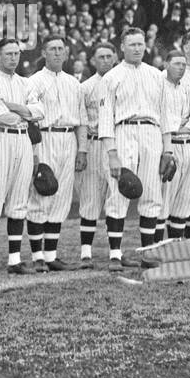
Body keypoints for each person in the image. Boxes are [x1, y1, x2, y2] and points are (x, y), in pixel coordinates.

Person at [99, 27, 166, 268]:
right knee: (119, 193)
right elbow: (105, 117)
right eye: (132, 44)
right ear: (122, 48)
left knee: (151, 192)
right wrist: (112, 154)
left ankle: (147, 253)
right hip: (124, 130)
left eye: (140, 44)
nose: (137, 48)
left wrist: (166, 149)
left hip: (151, 132)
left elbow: (165, 114)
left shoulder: (157, 75)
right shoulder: (111, 77)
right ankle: (115, 254)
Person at [0, 37, 43, 276]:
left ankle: (14, 259)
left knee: (18, 201)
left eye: (16, 53)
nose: (13, 58)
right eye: (8, 54)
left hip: (23, 141)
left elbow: (38, 113)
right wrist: (24, 112)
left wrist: (12, 106)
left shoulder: (26, 83)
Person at [24, 36, 81, 270]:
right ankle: (37, 256)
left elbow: (82, 121)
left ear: (66, 53)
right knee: (41, 193)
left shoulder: (75, 84)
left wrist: (83, 149)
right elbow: (29, 119)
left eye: (61, 49)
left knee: (61, 197)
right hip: (44, 136)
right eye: (52, 49)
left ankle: (50, 256)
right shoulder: (33, 82)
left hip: (68, 138)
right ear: (44, 53)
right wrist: (35, 152)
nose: (57, 53)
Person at [161, 49, 190, 240]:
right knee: (164, 200)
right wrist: (179, 124)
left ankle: (176, 247)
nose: (181, 68)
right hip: (168, 146)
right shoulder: (158, 86)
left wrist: (178, 126)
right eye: (176, 64)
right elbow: (163, 121)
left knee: (184, 200)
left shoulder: (189, 89)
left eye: (183, 65)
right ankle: (158, 246)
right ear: (166, 65)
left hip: (189, 147)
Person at [76, 42, 116, 266]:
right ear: (93, 60)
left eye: (109, 56)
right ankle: (85, 253)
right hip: (93, 142)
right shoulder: (86, 87)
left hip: (115, 146)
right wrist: (81, 150)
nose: (105, 61)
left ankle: (115, 253)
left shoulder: (121, 83)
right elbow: (81, 121)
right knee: (90, 199)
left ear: (115, 58)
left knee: (115, 199)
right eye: (100, 57)